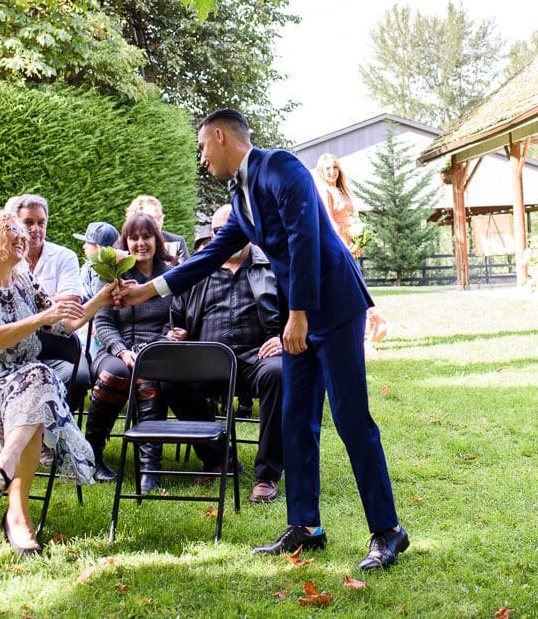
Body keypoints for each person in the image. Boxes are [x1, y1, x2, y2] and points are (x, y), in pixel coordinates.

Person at [116, 109, 408, 571]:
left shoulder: (283, 167)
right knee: (295, 420)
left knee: (352, 419)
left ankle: (388, 531)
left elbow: (304, 239)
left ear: (219, 136)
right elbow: (209, 257)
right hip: (300, 315)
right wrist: (145, 291)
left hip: (330, 306)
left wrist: (296, 316)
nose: (201, 157)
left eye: (202, 148)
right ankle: (306, 527)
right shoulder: (240, 195)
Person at [0, 210, 112, 556]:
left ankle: (9, 476)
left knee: (37, 382)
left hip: (25, 380)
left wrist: (103, 298)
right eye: (13, 231)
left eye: (24, 232)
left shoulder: (24, 281)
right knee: (40, 383)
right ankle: (17, 516)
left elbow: (62, 326)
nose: (23, 237)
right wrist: (42, 317)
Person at [163, 204, 285, 503]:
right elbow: (176, 316)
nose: (225, 236)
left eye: (233, 229)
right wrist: (177, 333)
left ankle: (266, 474)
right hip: (206, 357)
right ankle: (220, 458)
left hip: (256, 357)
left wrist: (282, 337)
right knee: (169, 380)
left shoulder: (271, 265)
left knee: (279, 374)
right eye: (219, 231)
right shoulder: (199, 268)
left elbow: (297, 312)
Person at [86, 213, 175, 488]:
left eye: (146, 237)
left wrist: (155, 346)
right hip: (114, 350)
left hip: (155, 350)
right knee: (116, 375)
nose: (140, 243)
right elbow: (102, 321)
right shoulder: (115, 273)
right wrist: (121, 350)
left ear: (156, 240)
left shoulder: (170, 274)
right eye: (133, 238)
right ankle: (91, 456)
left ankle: (150, 466)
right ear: (126, 242)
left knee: (148, 375)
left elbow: (176, 318)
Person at [6, 194, 88, 402]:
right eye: (28, 222)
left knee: (79, 377)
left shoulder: (64, 256)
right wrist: (51, 304)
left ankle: (55, 426)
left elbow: (71, 301)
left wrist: (26, 305)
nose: (35, 229)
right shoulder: (7, 259)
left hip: (60, 341)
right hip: (18, 344)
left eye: (41, 223)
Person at [314, 154, 388, 352]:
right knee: (352, 290)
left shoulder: (342, 190)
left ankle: (365, 333)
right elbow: (329, 221)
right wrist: (345, 247)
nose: (332, 172)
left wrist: (358, 240)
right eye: (328, 168)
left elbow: (352, 217)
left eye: (335, 168)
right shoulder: (324, 190)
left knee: (356, 288)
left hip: (350, 243)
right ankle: (365, 333)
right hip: (337, 247)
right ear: (322, 170)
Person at [125, 195, 189, 262]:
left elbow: (188, 271)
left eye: (159, 218)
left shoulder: (176, 242)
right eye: (151, 218)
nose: (157, 223)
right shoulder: (126, 244)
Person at [73, 221, 120, 300]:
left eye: (88, 243)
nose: (84, 246)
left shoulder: (107, 273)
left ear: (100, 247)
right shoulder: (87, 267)